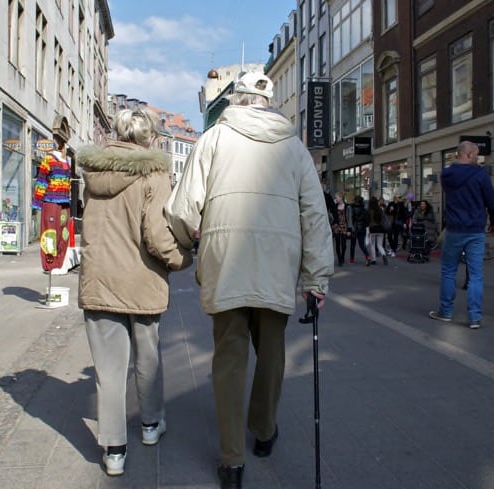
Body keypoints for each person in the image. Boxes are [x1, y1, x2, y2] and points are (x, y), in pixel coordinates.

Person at [165, 71, 334, 489]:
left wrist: (191, 241)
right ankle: (263, 431)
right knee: (272, 354)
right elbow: (314, 217)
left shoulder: (213, 140)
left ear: (235, 100)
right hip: (278, 263)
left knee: (228, 358)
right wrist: (316, 278)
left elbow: (184, 209)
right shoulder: (295, 149)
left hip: (226, 260)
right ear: (270, 103)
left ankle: (231, 460)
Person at [77, 108, 193, 476]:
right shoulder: (153, 174)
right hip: (142, 281)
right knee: (148, 358)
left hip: (100, 279)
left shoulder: (93, 173)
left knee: (109, 370)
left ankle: (113, 450)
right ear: (149, 138)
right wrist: (184, 259)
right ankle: (150, 425)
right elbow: (157, 237)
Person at [429, 140, 494, 329]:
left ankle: (446, 311)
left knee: (448, 271)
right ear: (468, 154)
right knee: (476, 275)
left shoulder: (446, 174)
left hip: (454, 228)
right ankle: (475, 317)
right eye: (476, 154)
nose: (478, 158)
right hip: (475, 229)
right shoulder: (480, 174)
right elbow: (491, 200)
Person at [31, 116, 72, 272]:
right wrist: (37, 203)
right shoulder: (48, 158)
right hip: (51, 201)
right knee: (50, 233)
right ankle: (49, 264)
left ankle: (59, 263)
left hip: (64, 202)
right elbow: (41, 181)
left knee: (64, 233)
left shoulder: (66, 160)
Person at [349, 195, 372, 265]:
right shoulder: (364, 210)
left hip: (354, 228)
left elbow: (351, 219)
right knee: (362, 244)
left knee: (352, 244)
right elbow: (367, 221)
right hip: (362, 228)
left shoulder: (351, 208)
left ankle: (352, 259)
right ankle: (367, 256)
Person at [366, 196, 388, 265]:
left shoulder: (369, 210)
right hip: (380, 229)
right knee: (379, 245)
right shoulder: (380, 209)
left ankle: (374, 260)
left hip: (372, 229)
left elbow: (367, 221)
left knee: (372, 245)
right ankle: (384, 254)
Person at [332, 192, 350, 267]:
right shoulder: (335, 206)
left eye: (336, 197)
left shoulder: (347, 206)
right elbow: (331, 216)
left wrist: (349, 229)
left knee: (344, 244)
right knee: (337, 244)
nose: (335, 199)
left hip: (344, 226)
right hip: (336, 226)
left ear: (340, 197)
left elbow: (349, 218)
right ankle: (339, 259)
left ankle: (342, 256)